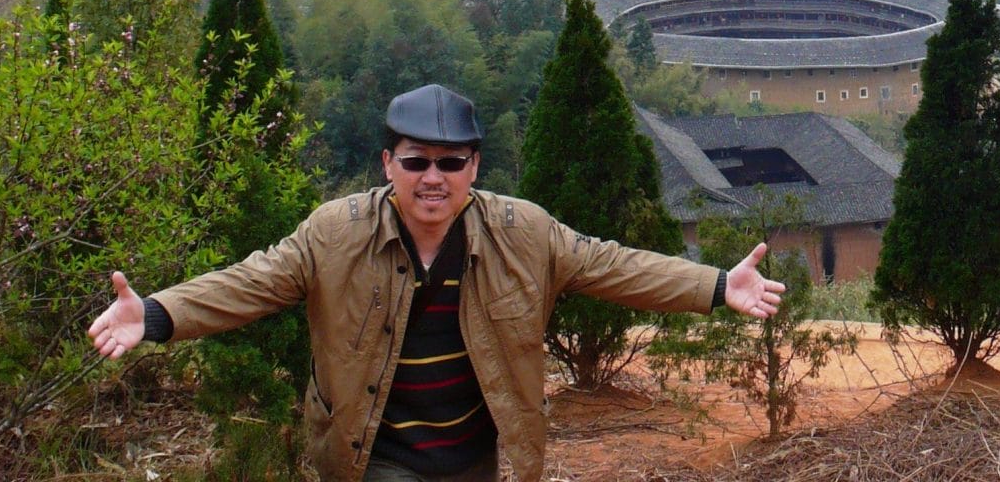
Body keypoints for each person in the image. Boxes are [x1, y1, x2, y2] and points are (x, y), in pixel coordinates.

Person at [89, 83, 785, 482]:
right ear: (388, 162)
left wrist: (715, 284)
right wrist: (154, 313)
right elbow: (252, 281)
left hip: (480, 458)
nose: (433, 178)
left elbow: (612, 264)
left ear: (474, 168)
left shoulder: (523, 233)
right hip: (374, 455)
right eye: (417, 161)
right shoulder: (335, 234)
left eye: (451, 163)